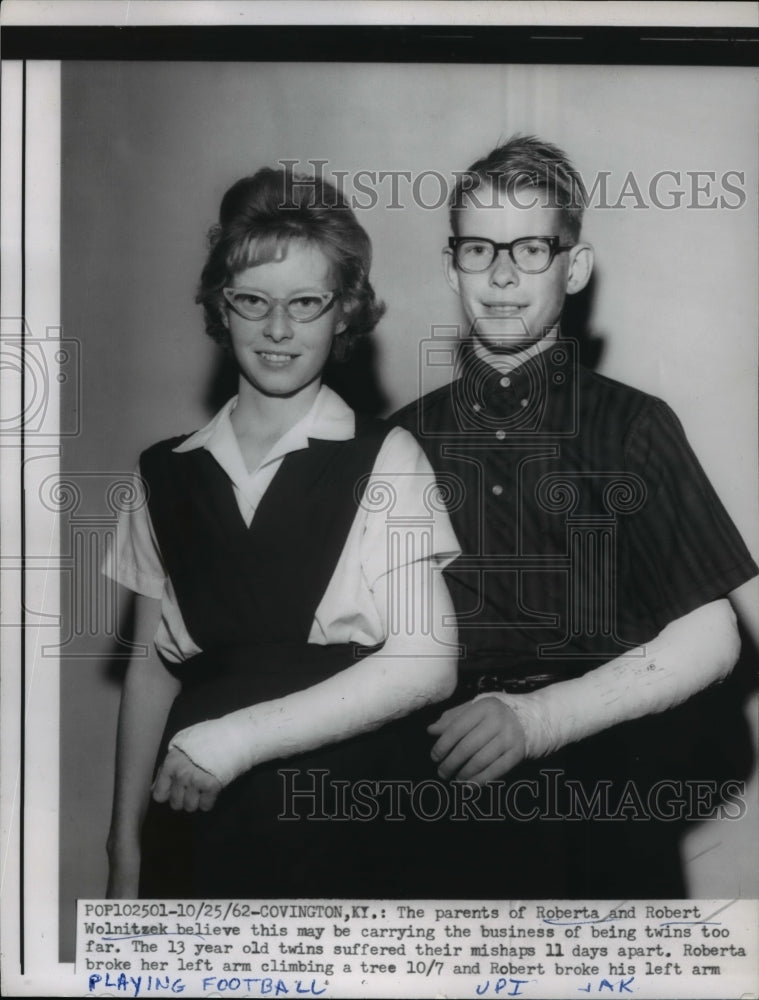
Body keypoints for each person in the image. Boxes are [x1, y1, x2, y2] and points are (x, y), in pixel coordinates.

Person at [392, 135, 758, 898]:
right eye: (477, 249)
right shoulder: (398, 439)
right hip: (426, 805)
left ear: (574, 267)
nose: (499, 275)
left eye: (530, 248)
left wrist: (537, 721)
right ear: (449, 265)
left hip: (599, 811)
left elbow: (710, 632)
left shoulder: (631, 426)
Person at [104, 166, 459, 899]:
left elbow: (428, 665)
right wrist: (124, 848)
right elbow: (149, 672)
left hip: (345, 819)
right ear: (219, 308)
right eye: (252, 301)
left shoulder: (386, 458)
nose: (276, 329)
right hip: (192, 817)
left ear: (343, 313)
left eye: (305, 303)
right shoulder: (161, 473)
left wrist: (232, 741)